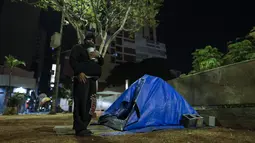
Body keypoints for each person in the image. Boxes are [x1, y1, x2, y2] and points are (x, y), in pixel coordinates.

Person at [69, 33, 104, 136]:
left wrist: (99, 56)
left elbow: (100, 63)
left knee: (91, 103)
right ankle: (79, 128)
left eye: (92, 40)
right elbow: (72, 61)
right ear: (85, 40)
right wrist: (79, 72)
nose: (90, 41)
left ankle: (84, 125)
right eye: (88, 39)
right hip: (82, 79)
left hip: (92, 80)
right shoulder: (78, 48)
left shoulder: (94, 52)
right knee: (81, 102)